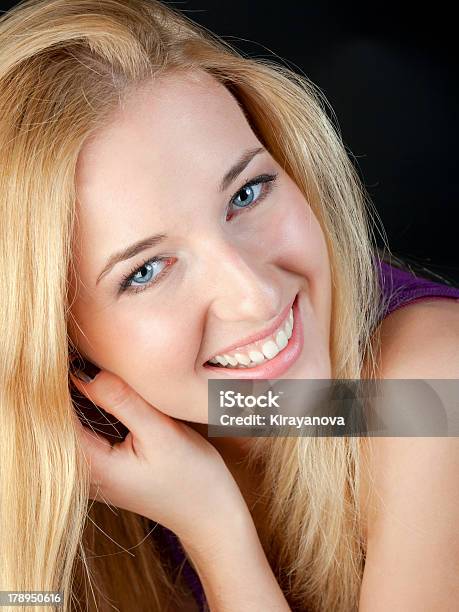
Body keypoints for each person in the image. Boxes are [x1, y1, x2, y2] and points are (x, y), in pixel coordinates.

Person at [1, 0, 458, 610]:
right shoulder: (64, 461)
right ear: (56, 338)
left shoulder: (429, 385)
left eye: (247, 192)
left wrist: (213, 528)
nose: (255, 295)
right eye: (146, 270)